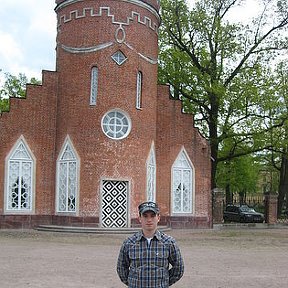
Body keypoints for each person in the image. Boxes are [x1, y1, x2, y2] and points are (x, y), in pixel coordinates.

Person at [117, 201, 184, 288]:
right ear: (140, 218)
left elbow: (179, 268)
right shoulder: (129, 243)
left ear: (158, 218)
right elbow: (121, 268)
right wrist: (133, 283)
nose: (149, 220)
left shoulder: (169, 242)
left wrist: (164, 282)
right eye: (145, 216)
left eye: (153, 216)